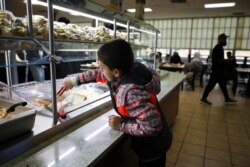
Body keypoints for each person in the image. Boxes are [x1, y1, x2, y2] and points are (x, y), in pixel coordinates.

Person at [59, 39, 172, 167]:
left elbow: (152, 126)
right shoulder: (132, 68)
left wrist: (121, 125)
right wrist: (74, 81)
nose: (99, 71)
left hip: (151, 147)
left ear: (116, 72)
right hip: (156, 141)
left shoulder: (131, 93)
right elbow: (99, 74)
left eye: (102, 68)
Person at [200, 33, 237, 105]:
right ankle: (203, 98)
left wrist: (225, 60)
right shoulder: (217, 48)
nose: (226, 40)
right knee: (210, 85)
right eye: (224, 39)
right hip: (217, 71)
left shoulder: (220, 47)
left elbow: (220, 60)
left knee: (223, 85)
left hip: (219, 71)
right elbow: (216, 61)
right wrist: (227, 60)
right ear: (220, 39)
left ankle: (227, 98)